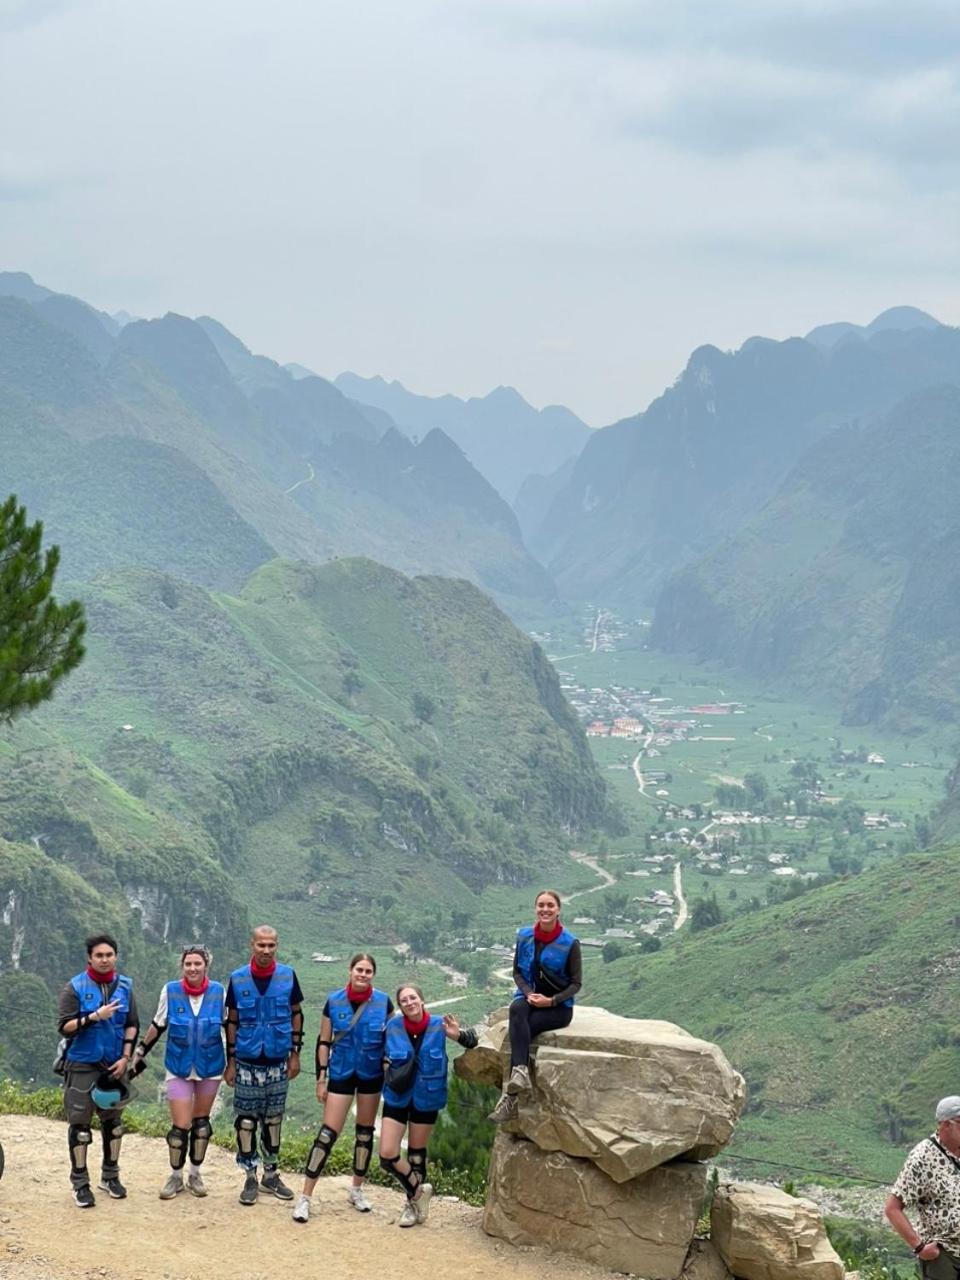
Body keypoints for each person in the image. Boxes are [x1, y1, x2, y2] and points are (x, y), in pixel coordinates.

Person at [292, 953, 392, 1223]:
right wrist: (321, 1079)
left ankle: (357, 1189)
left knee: (364, 1134)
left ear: (373, 974)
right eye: (359, 969)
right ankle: (305, 1197)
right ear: (350, 970)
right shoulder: (334, 1001)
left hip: (371, 1074)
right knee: (327, 1134)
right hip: (341, 1073)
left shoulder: (383, 1002)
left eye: (368, 971)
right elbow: (323, 1041)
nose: (363, 975)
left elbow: (392, 1040)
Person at [130, 944, 226, 1200]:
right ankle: (175, 1176)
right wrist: (140, 1051)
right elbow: (158, 1024)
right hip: (178, 1065)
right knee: (179, 1127)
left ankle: (195, 1174)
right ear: (182, 966)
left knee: (201, 1125)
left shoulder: (219, 992)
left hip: (210, 1066)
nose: (192, 968)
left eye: (197, 964)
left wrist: (235, 1061)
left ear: (206, 966)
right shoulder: (170, 991)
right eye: (188, 964)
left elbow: (229, 1027)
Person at [378, 985, 477, 1228]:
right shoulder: (392, 1026)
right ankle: (419, 1192)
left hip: (427, 1096)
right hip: (397, 1095)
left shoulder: (439, 1025)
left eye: (413, 997)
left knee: (416, 1154)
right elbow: (379, 1052)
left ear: (422, 1000)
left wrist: (457, 1035)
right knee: (387, 1154)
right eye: (404, 1000)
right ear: (400, 1006)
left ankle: (412, 1205)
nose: (409, 1002)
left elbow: (472, 1041)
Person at [56, 933, 139, 1207]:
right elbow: (64, 1026)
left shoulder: (125, 986)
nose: (104, 960)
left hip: (115, 1065)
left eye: (109, 955)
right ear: (90, 958)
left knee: (113, 1125)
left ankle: (110, 1176)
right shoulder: (75, 987)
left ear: (116, 957)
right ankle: (80, 1183)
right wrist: (94, 1017)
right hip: (82, 1064)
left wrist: (126, 1057)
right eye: (99, 955)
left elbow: (132, 1024)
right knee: (80, 1127)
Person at [224, 925, 304, 1206]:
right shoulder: (237, 979)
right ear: (252, 945)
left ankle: (271, 1175)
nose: (266, 950)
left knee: (273, 1121)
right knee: (246, 1122)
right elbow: (232, 1021)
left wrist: (295, 1054)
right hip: (246, 1061)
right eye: (261, 945)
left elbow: (297, 1014)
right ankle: (250, 1175)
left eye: (271, 945)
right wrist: (230, 1062)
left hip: (277, 1061)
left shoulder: (288, 976)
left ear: (277, 946)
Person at [489, 889, 581, 1124]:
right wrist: (529, 994)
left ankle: (510, 1099)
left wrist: (551, 1000)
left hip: (558, 1007)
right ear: (535, 908)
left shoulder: (570, 943)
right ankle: (520, 1072)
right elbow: (517, 972)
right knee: (516, 1009)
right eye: (541, 905)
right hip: (530, 998)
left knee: (521, 1028)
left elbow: (576, 984)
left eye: (550, 905)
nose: (545, 909)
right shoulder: (524, 937)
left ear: (558, 909)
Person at [885, 1096, 960, 1275]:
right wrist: (920, 1248)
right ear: (946, 1125)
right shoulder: (923, 1157)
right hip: (944, 1255)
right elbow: (892, 1209)